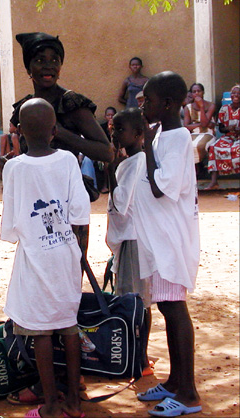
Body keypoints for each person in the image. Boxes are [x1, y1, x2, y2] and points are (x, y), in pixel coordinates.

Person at [7, 31, 113, 405]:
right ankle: (48, 380)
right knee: (39, 295)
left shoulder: (72, 104)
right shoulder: (23, 108)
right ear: (29, 68)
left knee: (67, 289)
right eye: (39, 60)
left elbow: (106, 150)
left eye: (54, 58)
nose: (47, 65)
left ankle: (71, 382)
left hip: (72, 212)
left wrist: (62, 133)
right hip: (38, 218)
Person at [0, 98, 90, 418]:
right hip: (66, 253)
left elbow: (11, 226)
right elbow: (80, 212)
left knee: (39, 331)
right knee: (68, 326)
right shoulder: (67, 160)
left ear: (20, 131)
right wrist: (77, 253)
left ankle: (51, 404)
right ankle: (75, 403)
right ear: (54, 131)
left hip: (35, 257)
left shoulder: (13, 167)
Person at [135, 71, 202, 417]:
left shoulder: (177, 139)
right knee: (166, 308)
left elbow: (162, 187)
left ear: (170, 104)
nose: (141, 103)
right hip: (159, 243)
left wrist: (146, 145)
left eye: (148, 99)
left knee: (176, 311)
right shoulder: (163, 134)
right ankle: (175, 381)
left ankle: (188, 393)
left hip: (172, 243)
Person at [106, 108, 154, 377]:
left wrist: (111, 168)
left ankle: (141, 359)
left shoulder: (136, 163)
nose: (114, 134)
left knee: (135, 302)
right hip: (130, 239)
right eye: (113, 129)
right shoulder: (131, 161)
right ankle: (139, 355)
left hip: (134, 240)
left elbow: (121, 203)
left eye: (120, 130)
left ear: (137, 134)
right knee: (137, 301)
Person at [204, 84, 240, 190]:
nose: (236, 95)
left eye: (238, 93)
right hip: (229, 136)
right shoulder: (224, 109)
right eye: (234, 93)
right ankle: (214, 182)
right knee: (214, 147)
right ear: (231, 95)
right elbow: (221, 128)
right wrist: (228, 128)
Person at [183, 83, 216, 172]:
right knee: (185, 145)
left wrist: (201, 106)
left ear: (203, 92)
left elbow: (205, 124)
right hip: (194, 134)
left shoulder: (210, 105)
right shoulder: (188, 107)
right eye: (194, 92)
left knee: (199, 145)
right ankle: (195, 169)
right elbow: (186, 126)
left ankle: (199, 166)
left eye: (199, 91)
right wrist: (199, 124)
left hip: (207, 133)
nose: (197, 93)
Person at [99, 106, 117, 194]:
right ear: (105, 116)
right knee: (107, 161)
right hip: (105, 152)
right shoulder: (101, 128)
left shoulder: (119, 127)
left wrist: (111, 131)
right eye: (108, 115)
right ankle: (105, 185)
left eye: (112, 115)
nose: (110, 117)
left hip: (117, 151)